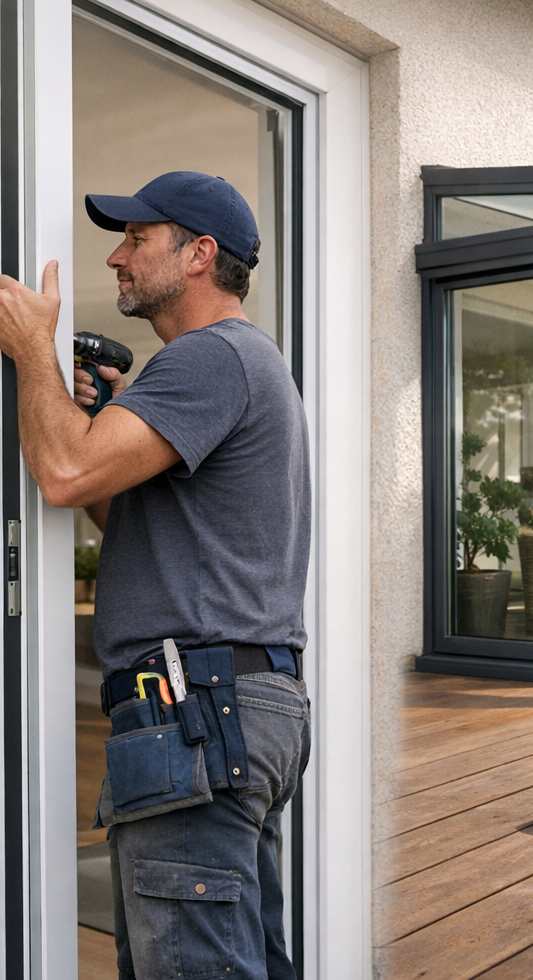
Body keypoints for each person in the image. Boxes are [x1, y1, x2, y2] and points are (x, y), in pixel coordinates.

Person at [0, 171, 310, 980]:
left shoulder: (212, 358)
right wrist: (103, 415)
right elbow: (114, 510)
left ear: (200, 255)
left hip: (196, 710)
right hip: (229, 703)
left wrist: (33, 348)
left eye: (138, 239)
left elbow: (63, 473)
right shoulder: (237, 364)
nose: (115, 257)